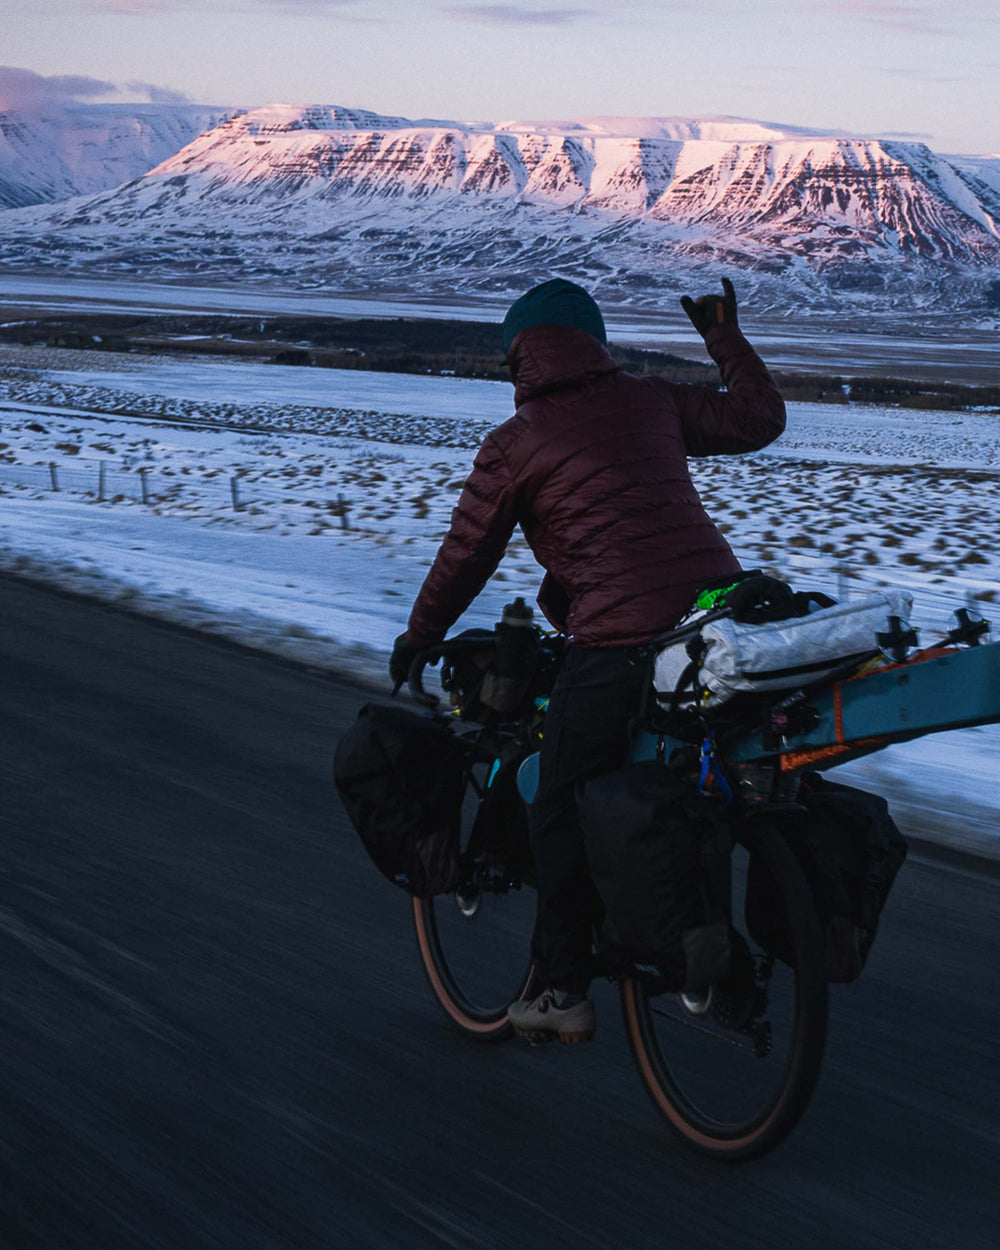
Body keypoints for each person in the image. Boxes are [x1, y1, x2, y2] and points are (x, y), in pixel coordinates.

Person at [390, 276, 786, 1042]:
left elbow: (466, 553)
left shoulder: (514, 443)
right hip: (717, 615)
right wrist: (722, 335)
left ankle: (560, 989)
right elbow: (759, 417)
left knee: (559, 800)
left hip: (621, 640)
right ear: (595, 343)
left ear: (519, 356)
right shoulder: (650, 399)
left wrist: (418, 635)